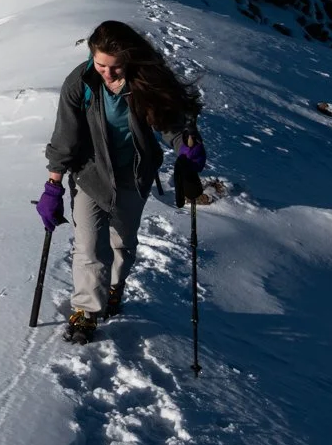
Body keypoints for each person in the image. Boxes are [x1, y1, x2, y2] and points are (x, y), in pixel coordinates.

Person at [35, 20, 207, 344]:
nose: (108, 74)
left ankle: (115, 287)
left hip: (134, 175)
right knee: (89, 246)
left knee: (122, 243)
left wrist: (186, 145)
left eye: (115, 67)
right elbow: (65, 138)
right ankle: (87, 312)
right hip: (90, 175)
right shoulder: (80, 82)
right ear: (91, 57)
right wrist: (53, 186)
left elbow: (169, 123)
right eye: (101, 65)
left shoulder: (143, 82)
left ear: (128, 60)